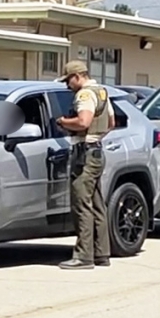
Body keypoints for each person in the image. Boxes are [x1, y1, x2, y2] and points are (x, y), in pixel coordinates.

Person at [56, 60, 115, 270]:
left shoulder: (84, 95)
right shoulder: (102, 92)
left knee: (81, 204)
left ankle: (84, 256)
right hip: (97, 151)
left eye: (68, 80)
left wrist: (64, 122)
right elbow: (111, 123)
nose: (67, 85)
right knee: (98, 204)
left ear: (78, 76)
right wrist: (97, 137)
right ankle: (102, 253)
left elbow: (83, 121)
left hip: (85, 153)